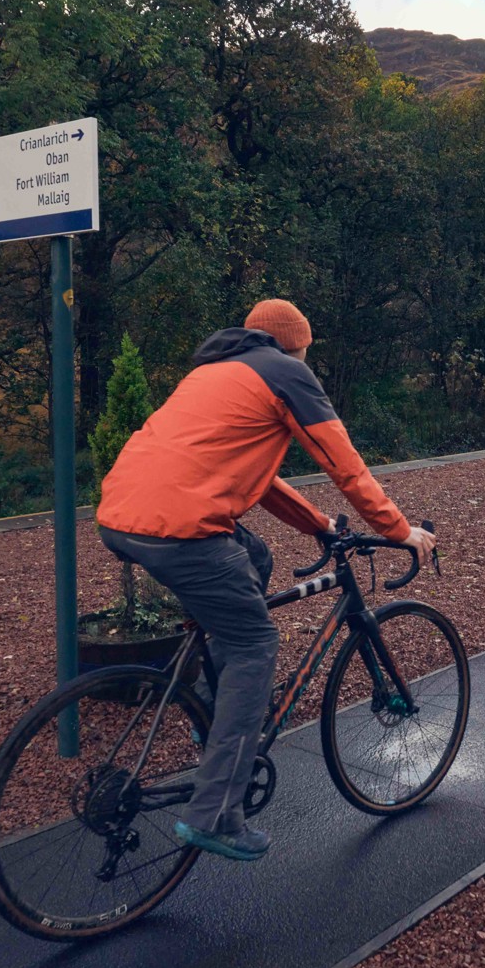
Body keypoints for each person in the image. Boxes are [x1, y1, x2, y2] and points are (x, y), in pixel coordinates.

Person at [96, 299, 436, 862]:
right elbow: (343, 464)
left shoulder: (215, 372)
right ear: (294, 342)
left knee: (252, 558)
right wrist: (398, 530)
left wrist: (321, 526)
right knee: (256, 644)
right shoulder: (287, 372)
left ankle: (207, 704)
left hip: (121, 517)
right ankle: (216, 814)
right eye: (306, 345)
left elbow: (266, 482)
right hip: (181, 531)